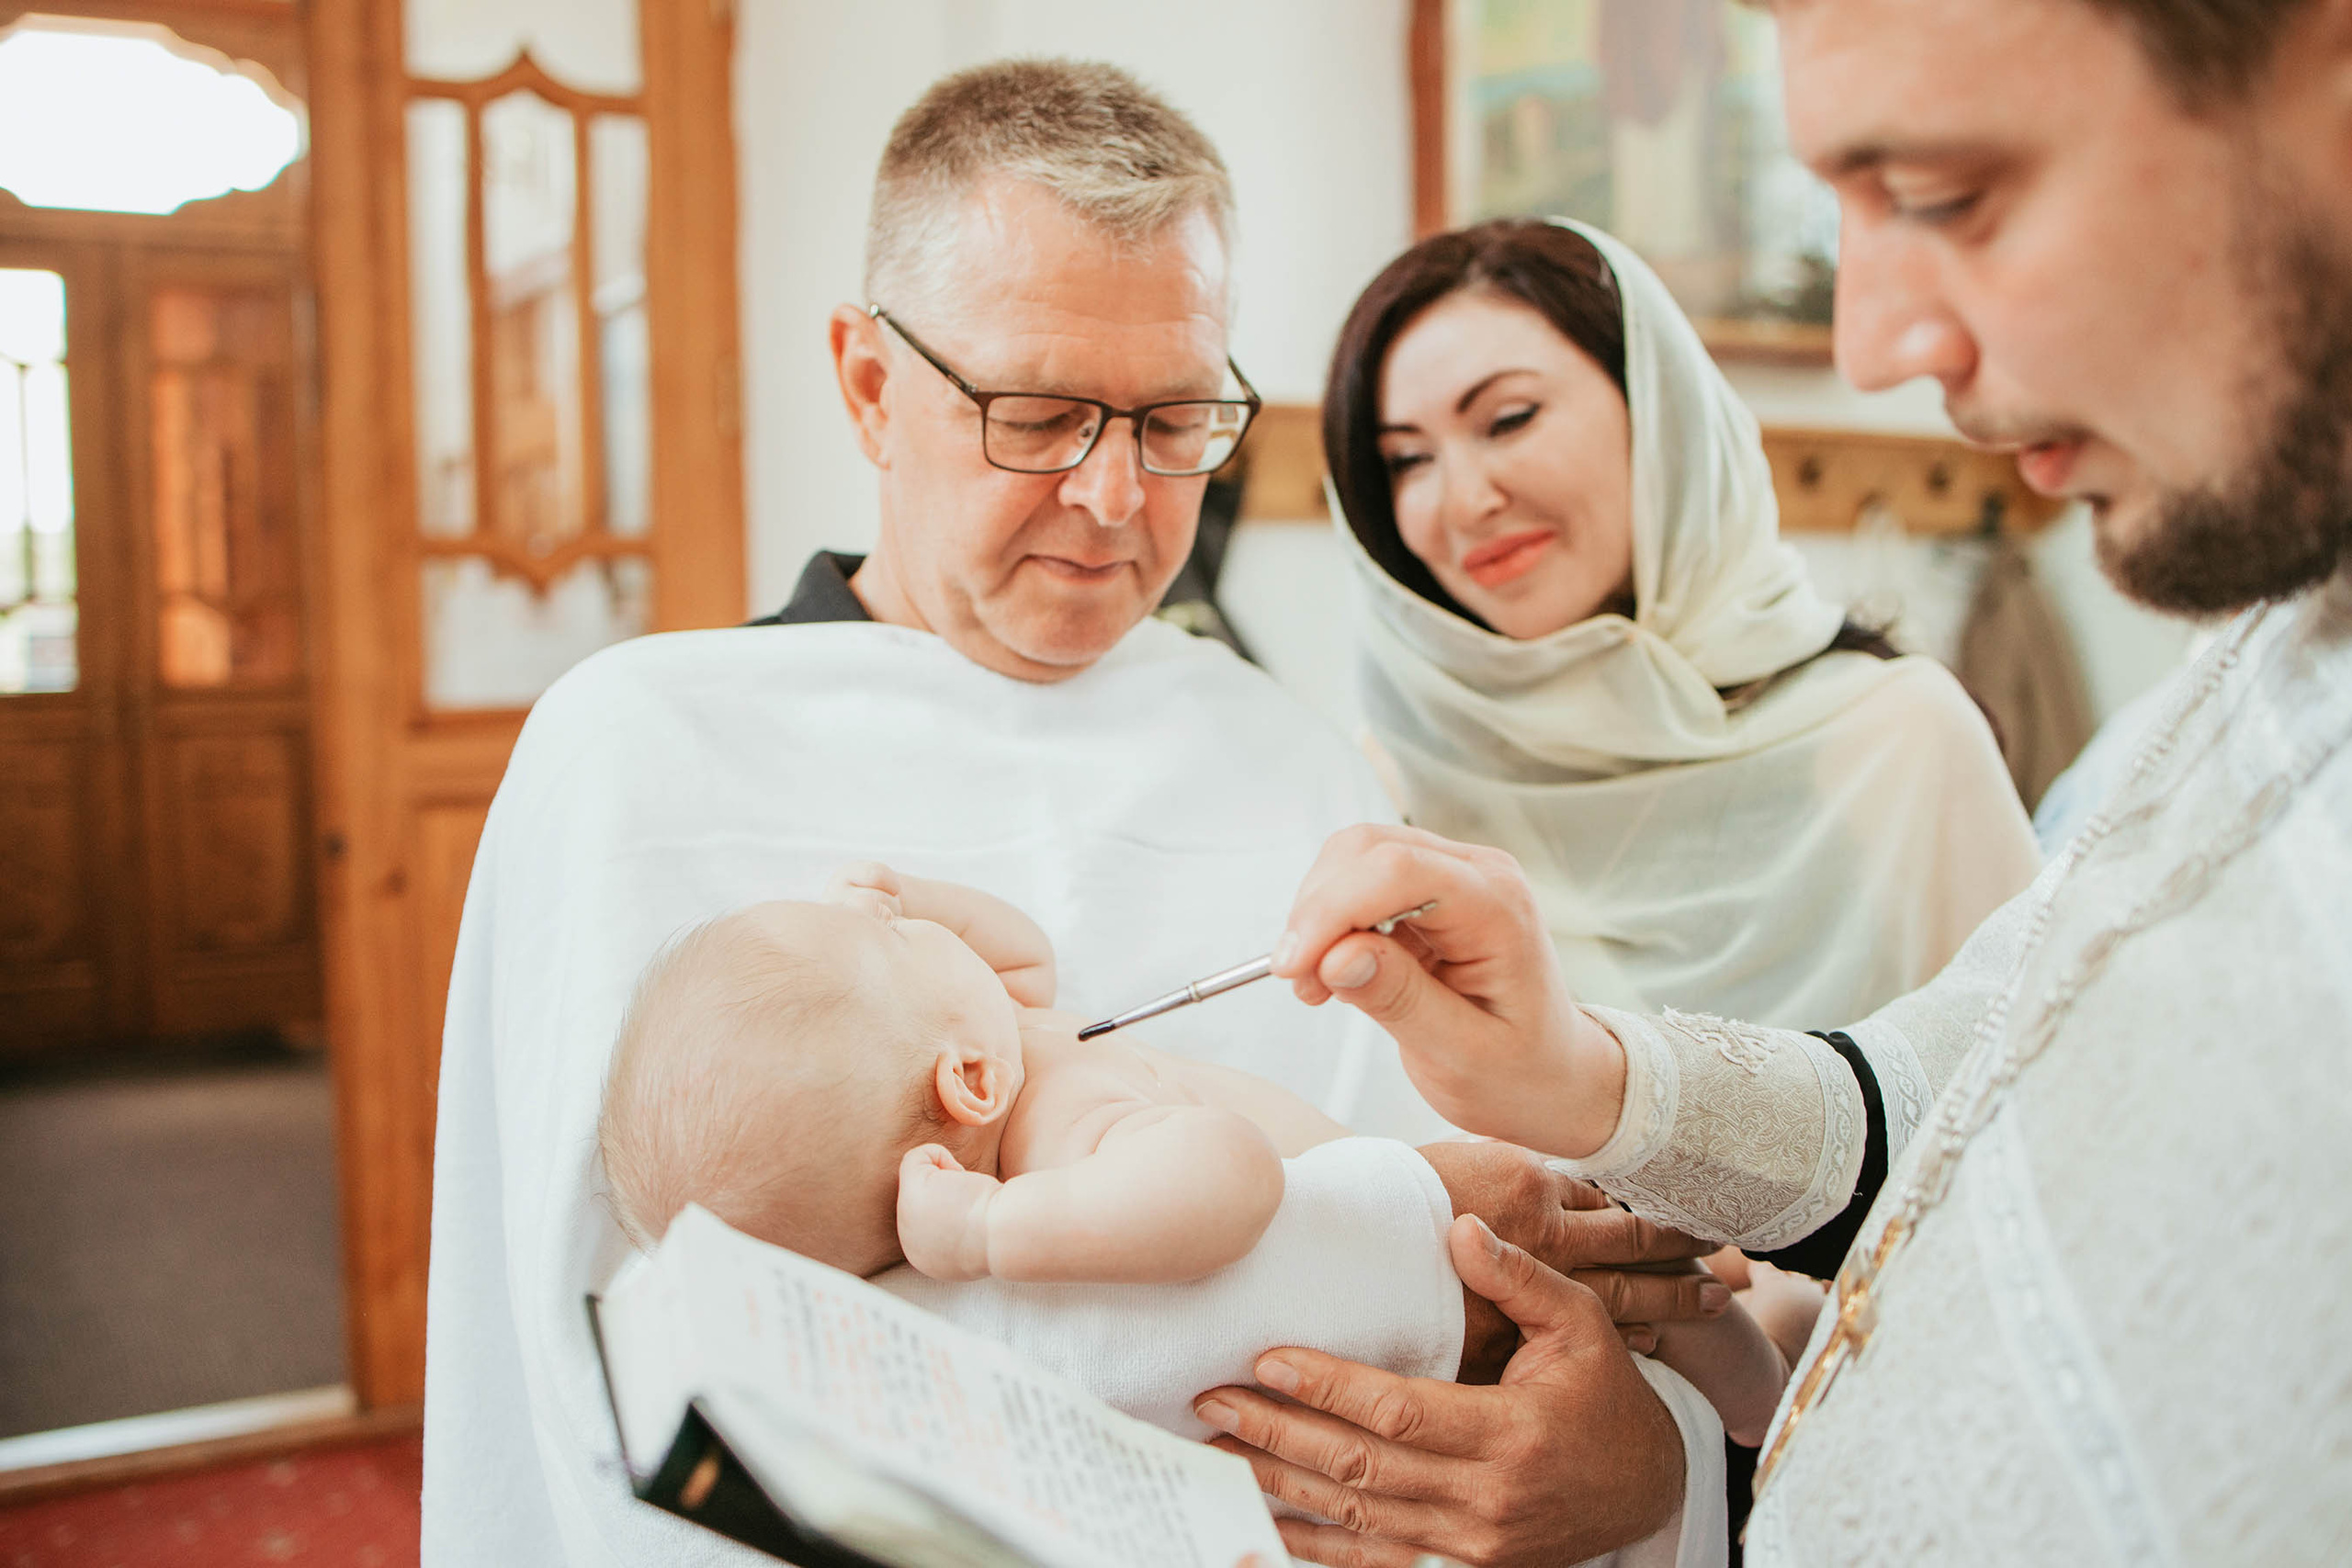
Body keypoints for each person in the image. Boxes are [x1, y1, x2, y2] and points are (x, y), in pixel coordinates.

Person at [422, 60, 1730, 1568]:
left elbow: (1502, 1296)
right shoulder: (642, 757)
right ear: (867, 383)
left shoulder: (1284, 754)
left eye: (1178, 419)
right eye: (1038, 415)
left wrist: (1629, 1455)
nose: (1117, 496)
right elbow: (607, 1375)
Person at [1193, 1, 2352, 1562]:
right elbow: (1948, 1100)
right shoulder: (2233, 691)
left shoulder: (1900, 732)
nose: (1870, 343)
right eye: (1400, 459)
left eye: (1944, 195)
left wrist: (1684, 1469)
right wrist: (1587, 1079)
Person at [597, 867, 1798, 1446]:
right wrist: (994, 1235)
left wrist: (923, 906)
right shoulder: (1069, 1140)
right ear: (966, 1081)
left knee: (1690, 1290)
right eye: (908, 940)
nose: (916, 925)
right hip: (1473, 1264)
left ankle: (1762, 1378)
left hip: (1466, 1237)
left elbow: (1020, 961)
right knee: (1669, 1299)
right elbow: (1228, 1181)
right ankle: (1769, 1425)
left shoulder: (1005, 1050)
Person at [1323, 217, 2038, 1028]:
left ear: (1662, 417)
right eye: (1407, 460)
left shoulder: (1894, 739)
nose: (1461, 502)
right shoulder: (1398, 784)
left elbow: (2035, 1090)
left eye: (1509, 418)